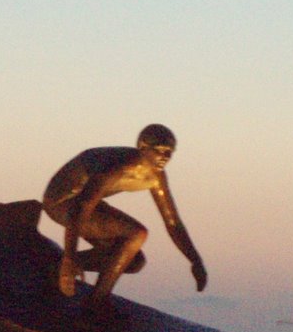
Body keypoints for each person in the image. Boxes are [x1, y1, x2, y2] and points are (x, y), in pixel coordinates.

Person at [41, 124, 208, 305]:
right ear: (143, 148)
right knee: (137, 234)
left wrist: (195, 260)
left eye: (170, 151)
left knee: (133, 260)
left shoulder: (156, 177)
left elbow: (172, 222)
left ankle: (53, 268)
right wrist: (69, 258)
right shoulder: (120, 167)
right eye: (160, 150)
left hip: (87, 204)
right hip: (62, 202)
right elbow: (81, 208)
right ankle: (96, 303)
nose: (166, 157)